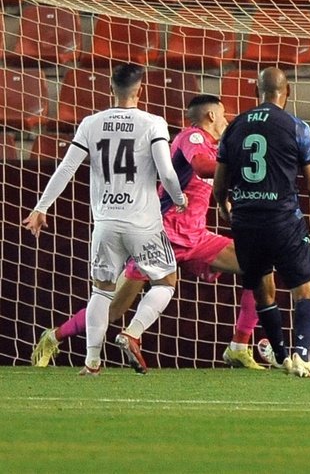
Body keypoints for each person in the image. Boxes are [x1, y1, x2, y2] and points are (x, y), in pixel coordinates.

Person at [31, 95, 266, 371]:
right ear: (211, 116)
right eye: (223, 114)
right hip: (161, 233)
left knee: (258, 265)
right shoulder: (191, 138)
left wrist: (227, 203)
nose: (226, 120)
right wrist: (246, 166)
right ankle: (54, 337)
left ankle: (239, 346)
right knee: (114, 308)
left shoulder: (216, 149)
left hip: (195, 236)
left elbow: (210, 184)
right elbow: (201, 166)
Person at [23, 64, 188, 375]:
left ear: (111, 89)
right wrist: (179, 199)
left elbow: (66, 168)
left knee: (101, 291)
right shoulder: (153, 122)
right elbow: (166, 171)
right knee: (166, 282)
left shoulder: (91, 123)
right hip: (143, 224)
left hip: (106, 222)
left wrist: (41, 207)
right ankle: (131, 333)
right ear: (140, 90)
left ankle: (92, 361)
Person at [213, 67, 310, 379]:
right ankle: (301, 355)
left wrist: (227, 210)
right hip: (282, 219)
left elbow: (218, 188)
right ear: (287, 91)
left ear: (256, 91)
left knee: (263, 290)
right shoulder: (297, 127)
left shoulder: (234, 127)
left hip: (246, 221)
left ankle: (280, 356)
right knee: (305, 289)